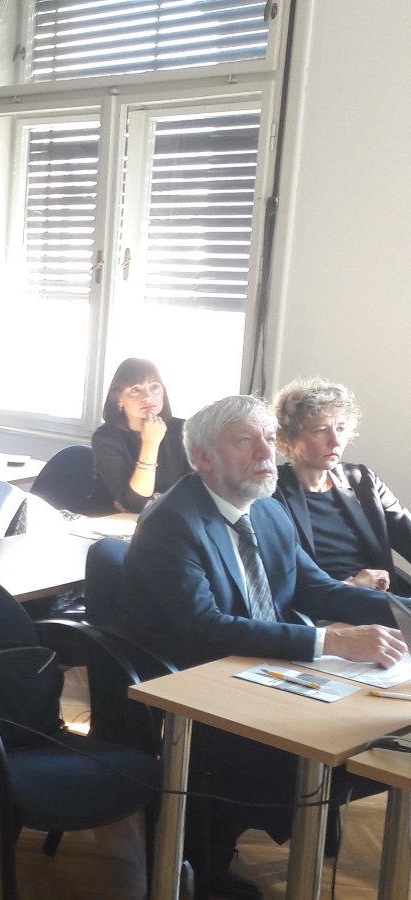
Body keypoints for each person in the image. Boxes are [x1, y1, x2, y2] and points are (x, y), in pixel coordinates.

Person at [117, 394, 403, 897]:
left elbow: (315, 587)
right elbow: (205, 627)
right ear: (203, 457)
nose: (266, 453)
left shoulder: (266, 509)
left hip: (263, 664)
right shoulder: (172, 523)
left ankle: (251, 827)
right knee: (317, 754)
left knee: (382, 738)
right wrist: (332, 639)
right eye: (245, 441)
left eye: (268, 438)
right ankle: (208, 858)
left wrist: (402, 611)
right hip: (199, 681)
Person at [271, 378, 411, 594]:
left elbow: (407, 535)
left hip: (385, 599)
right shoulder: (271, 493)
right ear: (288, 438)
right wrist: (351, 586)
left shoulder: (362, 480)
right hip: (326, 606)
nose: (335, 440)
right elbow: (282, 583)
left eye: (341, 428)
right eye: (320, 430)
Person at [90, 358, 191, 513]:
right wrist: (151, 443)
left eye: (154, 387)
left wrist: (153, 503)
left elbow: (197, 492)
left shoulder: (184, 430)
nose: (148, 397)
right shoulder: (105, 438)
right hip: (114, 520)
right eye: (135, 390)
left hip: (171, 517)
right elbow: (135, 504)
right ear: (118, 400)